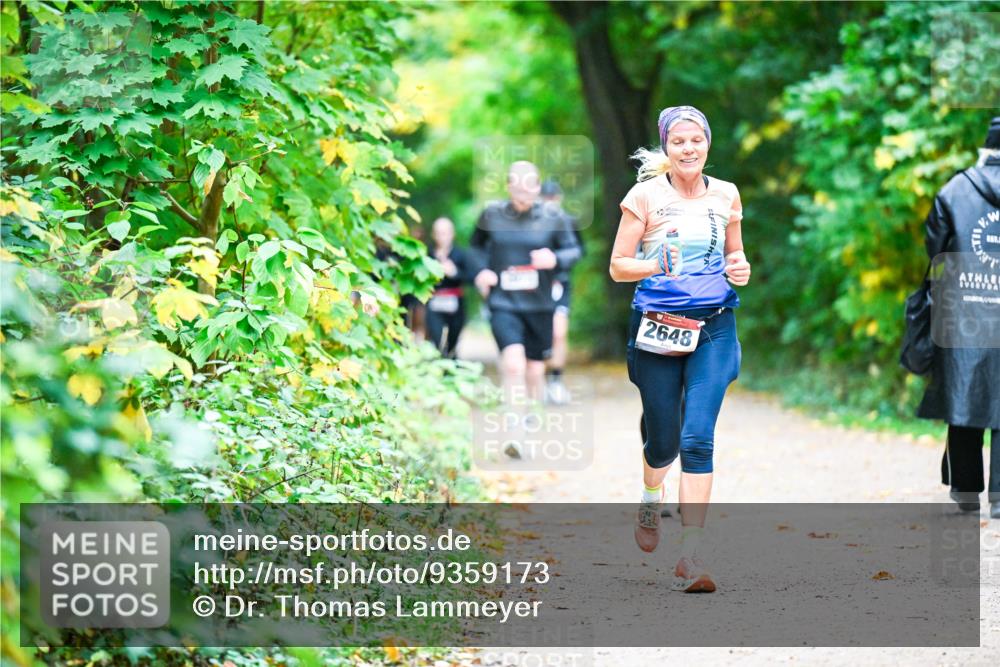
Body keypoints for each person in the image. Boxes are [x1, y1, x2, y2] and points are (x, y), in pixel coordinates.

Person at [609, 105, 751, 592]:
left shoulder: (726, 194)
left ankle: (692, 556)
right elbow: (618, 266)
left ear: (707, 143)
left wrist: (740, 267)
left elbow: (735, 251)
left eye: (696, 140)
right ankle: (652, 496)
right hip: (657, 327)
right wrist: (653, 264)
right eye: (678, 142)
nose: (688, 149)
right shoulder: (645, 196)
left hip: (714, 326)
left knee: (697, 440)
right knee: (664, 442)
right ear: (667, 148)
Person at [916, 116, 1000, 518]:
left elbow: (935, 250)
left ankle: (966, 489)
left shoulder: (955, 189)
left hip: (964, 306)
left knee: (965, 391)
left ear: (985, 149)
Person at [470, 161, 582, 457]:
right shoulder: (491, 214)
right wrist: (481, 271)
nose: (524, 191)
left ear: (537, 186)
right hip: (503, 302)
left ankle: (531, 424)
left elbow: (573, 250)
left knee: (534, 369)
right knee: (513, 365)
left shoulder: (554, 217)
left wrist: (554, 259)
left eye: (530, 185)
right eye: (518, 185)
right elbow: (475, 247)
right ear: (509, 186)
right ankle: (514, 431)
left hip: (540, 305)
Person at [540, 179, 584, 405]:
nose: (550, 202)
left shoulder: (568, 221)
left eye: (553, 198)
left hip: (560, 283)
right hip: (536, 285)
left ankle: (556, 381)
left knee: (558, 333)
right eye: (545, 198)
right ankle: (538, 381)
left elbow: (579, 251)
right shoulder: (531, 223)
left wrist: (557, 261)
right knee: (538, 334)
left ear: (559, 199)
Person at [425, 216, 471, 358]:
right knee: (437, 340)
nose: (441, 237)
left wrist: (454, 272)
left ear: (452, 234)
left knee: (453, 340)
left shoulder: (460, 254)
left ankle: (452, 364)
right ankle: (440, 362)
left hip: (455, 303)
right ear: (433, 234)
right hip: (434, 301)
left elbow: (470, 278)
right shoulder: (427, 254)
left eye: (444, 233)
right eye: (438, 233)